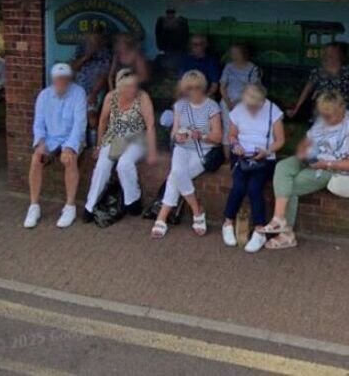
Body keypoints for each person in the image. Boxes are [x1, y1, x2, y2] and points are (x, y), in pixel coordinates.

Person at [260, 91, 349, 250]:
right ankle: (279, 218)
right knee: (282, 166)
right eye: (324, 115)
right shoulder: (323, 120)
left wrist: (326, 164)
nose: (325, 120)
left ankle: (286, 234)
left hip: (329, 168)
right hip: (312, 160)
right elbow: (306, 141)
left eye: (329, 117)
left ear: (340, 111)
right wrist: (302, 152)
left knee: (290, 186)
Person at [151, 70, 221, 239]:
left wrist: (202, 135)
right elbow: (174, 132)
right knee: (177, 172)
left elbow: (217, 137)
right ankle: (196, 209)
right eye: (188, 88)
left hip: (202, 149)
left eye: (196, 88)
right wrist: (178, 136)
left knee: (176, 175)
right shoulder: (180, 105)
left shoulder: (212, 106)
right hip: (182, 148)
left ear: (202, 87)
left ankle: (162, 216)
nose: (192, 91)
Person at [86, 68, 157, 220]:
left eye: (134, 86)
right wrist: (99, 145)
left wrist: (151, 150)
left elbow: (150, 125)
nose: (132, 89)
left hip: (136, 138)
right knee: (102, 166)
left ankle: (133, 201)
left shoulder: (142, 97)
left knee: (124, 164)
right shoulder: (111, 97)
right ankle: (90, 206)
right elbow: (103, 120)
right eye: (128, 87)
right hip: (115, 137)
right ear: (120, 87)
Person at [25, 63, 88, 229]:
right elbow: (38, 124)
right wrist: (40, 143)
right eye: (58, 80)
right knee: (36, 159)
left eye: (64, 79)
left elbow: (79, 125)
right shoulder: (43, 96)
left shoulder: (78, 93)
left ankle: (70, 206)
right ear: (53, 80)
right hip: (50, 139)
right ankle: (34, 206)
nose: (61, 83)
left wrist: (69, 147)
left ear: (69, 79)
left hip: (71, 138)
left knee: (69, 159)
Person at [222, 83, 285, 253]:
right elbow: (232, 135)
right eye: (248, 104)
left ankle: (259, 230)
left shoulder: (273, 111)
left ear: (262, 101)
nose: (250, 109)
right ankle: (228, 222)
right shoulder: (238, 110)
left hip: (264, 157)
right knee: (239, 186)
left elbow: (280, 140)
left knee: (254, 188)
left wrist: (267, 151)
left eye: (254, 105)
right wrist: (235, 145)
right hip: (241, 155)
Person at [288, 43, 349, 119]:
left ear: (340, 54)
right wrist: (296, 109)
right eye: (327, 53)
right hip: (322, 112)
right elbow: (306, 91)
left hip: (343, 113)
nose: (329, 56)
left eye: (332, 53)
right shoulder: (317, 72)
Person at [218, 42, 261, 161]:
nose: (234, 56)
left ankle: (243, 158)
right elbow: (222, 86)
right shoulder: (228, 67)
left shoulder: (252, 68)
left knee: (243, 130)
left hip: (245, 104)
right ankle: (228, 160)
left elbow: (253, 88)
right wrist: (228, 102)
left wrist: (240, 101)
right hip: (228, 102)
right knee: (228, 130)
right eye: (232, 53)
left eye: (237, 53)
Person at [70, 31, 112, 106]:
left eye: (97, 41)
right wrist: (86, 56)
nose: (93, 44)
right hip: (78, 88)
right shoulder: (81, 49)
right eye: (90, 41)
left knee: (91, 113)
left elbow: (104, 75)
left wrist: (94, 93)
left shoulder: (105, 53)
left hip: (97, 90)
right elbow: (73, 67)